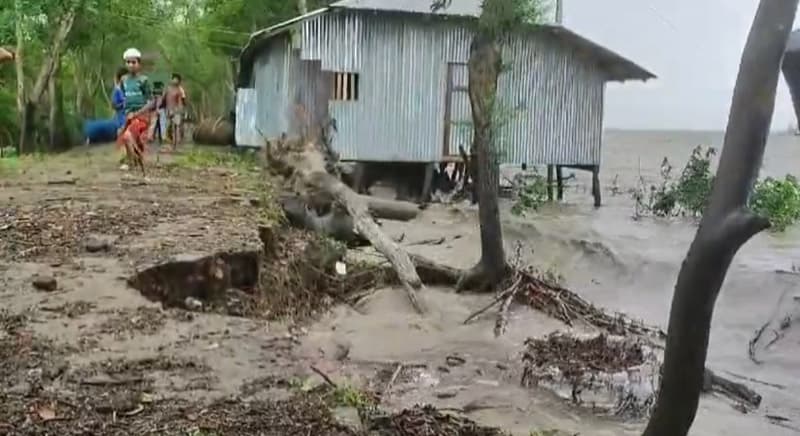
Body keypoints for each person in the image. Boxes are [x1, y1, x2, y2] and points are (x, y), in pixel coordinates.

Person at [117, 47, 154, 177]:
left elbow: (151, 102)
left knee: (128, 136)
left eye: (134, 62)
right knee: (127, 138)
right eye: (128, 62)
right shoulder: (123, 80)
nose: (131, 65)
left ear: (139, 64)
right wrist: (126, 112)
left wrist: (137, 113)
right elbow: (124, 98)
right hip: (129, 115)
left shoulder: (144, 80)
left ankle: (131, 166)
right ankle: (135, 162)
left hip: (141, 116)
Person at [163, 73, 187, 151]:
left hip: (176, 111)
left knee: (176, 128)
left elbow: (181, 102)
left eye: (176, 79)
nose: (174, 80)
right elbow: (164, 99)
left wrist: (178, 111)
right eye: (173, 79)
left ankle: (175, 146)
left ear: (179, 81)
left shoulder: (180, 90)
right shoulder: (168, 89)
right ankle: (171, 144)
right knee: (169, 128)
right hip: (168, 110)